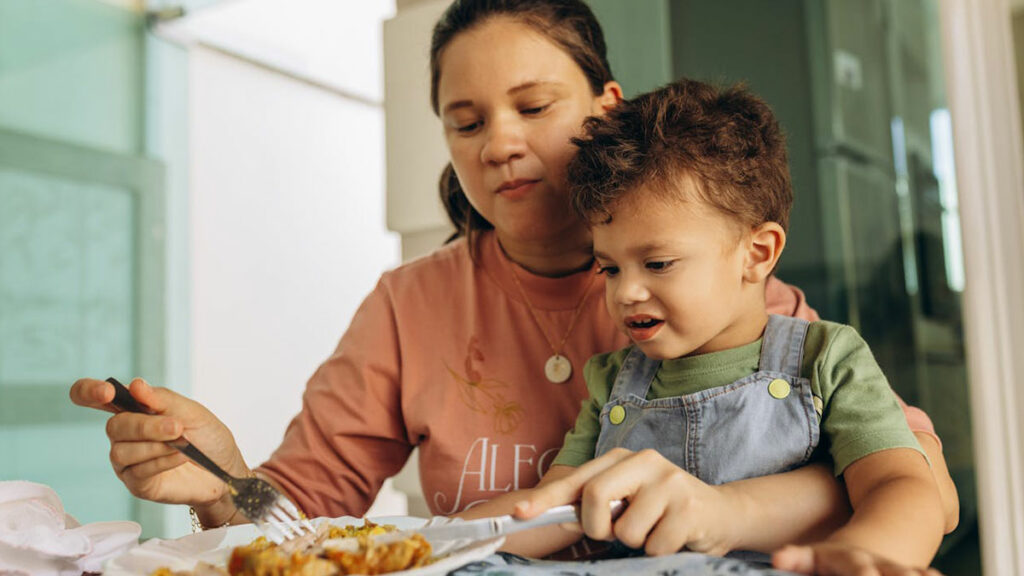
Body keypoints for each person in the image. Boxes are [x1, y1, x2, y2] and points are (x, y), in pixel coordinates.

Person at [68, 0, 955, 571]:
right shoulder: (408, 307)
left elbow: (899, 479)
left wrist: (743, 511)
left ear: (604, 110)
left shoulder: (739, 312)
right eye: (467, 121)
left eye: (534, 107)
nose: (498, 143)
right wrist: (222, 476)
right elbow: (306, 523)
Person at [464, 78, 945, 573]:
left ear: (757, 254)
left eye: (658, 264)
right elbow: (548, 513)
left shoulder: (825, 358)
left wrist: (864, 553)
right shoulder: (611, 383)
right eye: (609, 268)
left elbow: (901, 485)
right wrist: (435, 542)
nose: (625, 291)